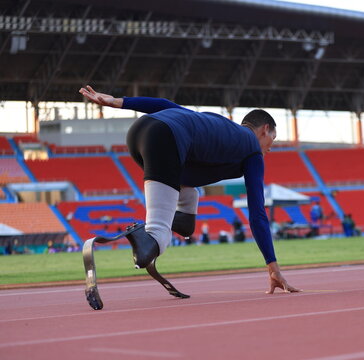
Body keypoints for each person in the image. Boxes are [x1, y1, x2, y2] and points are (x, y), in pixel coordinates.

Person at [79, 85, 300, 294]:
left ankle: (169, 223)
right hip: (164, 139)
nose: (270, 147)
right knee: (157, 240)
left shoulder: (216, 124)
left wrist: (118, 102)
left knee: (186, 221)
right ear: (265, 129)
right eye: (273, 138)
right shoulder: (252, 148)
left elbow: (165, 105)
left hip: (139, 133)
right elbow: (257, 213)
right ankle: (146, 233)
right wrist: (273, 268)